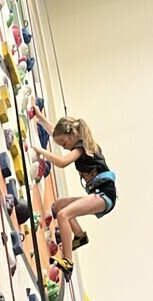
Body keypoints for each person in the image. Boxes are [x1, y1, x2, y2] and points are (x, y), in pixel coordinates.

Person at [29, 113, 117, 277]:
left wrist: (42, 152)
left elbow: (62, 163)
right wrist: (40, 117)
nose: (64, 147)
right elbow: (56, 133)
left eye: (64, 143)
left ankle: (68, 262)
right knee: (59, 206)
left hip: (105, 195)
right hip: (98, 192)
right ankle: (79, 236)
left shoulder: (81, 147)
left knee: (63, 215)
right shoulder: (76, 140)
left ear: (72, 135)